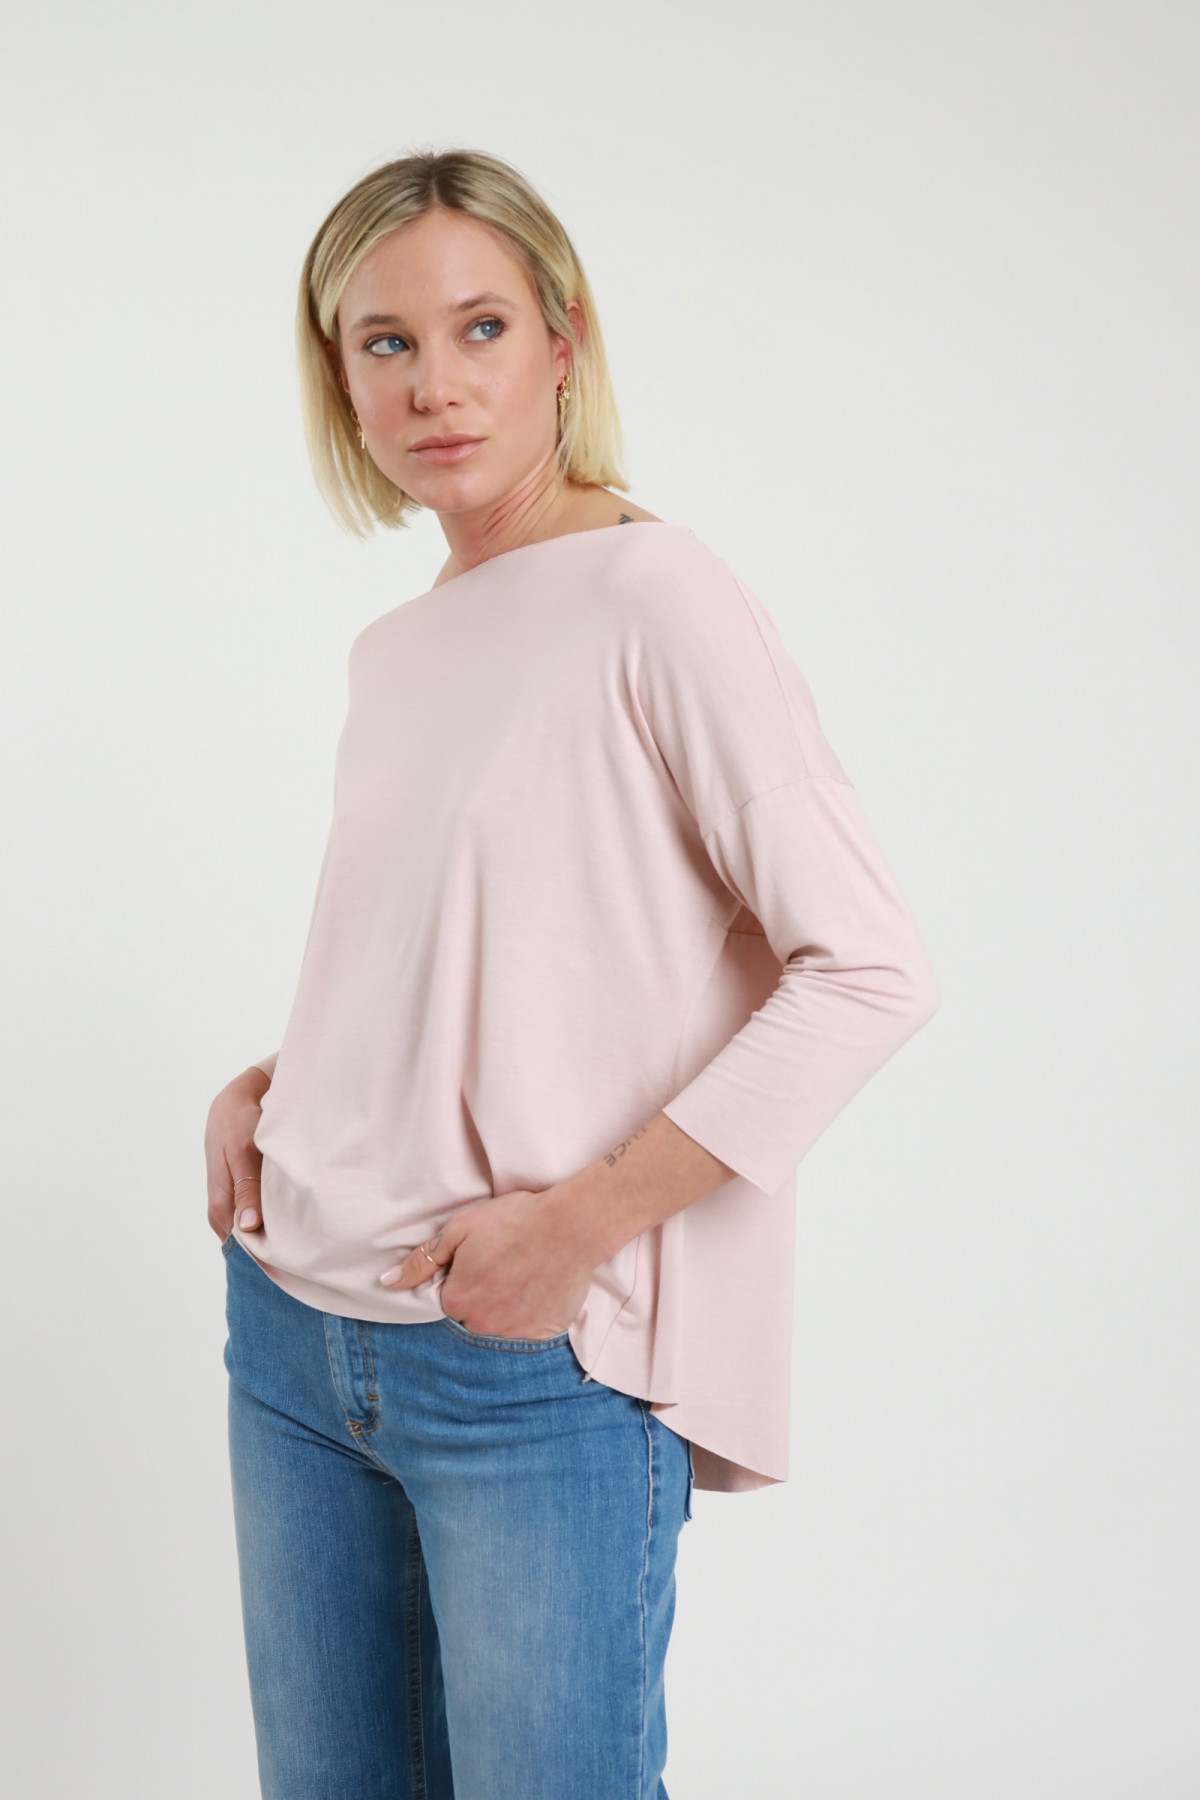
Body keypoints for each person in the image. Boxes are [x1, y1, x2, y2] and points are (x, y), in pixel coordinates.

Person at [204, 146, 939, 1800]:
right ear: (340, 378)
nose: (435, 384)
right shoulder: (399, 645)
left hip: (527, 1365)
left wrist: (582, 1225)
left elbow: (869, 968)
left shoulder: (657, 596)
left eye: (480, 327)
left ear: (563, 339)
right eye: (386, 343)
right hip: (293, 1342)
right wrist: (276, 1086)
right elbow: (491, 951)